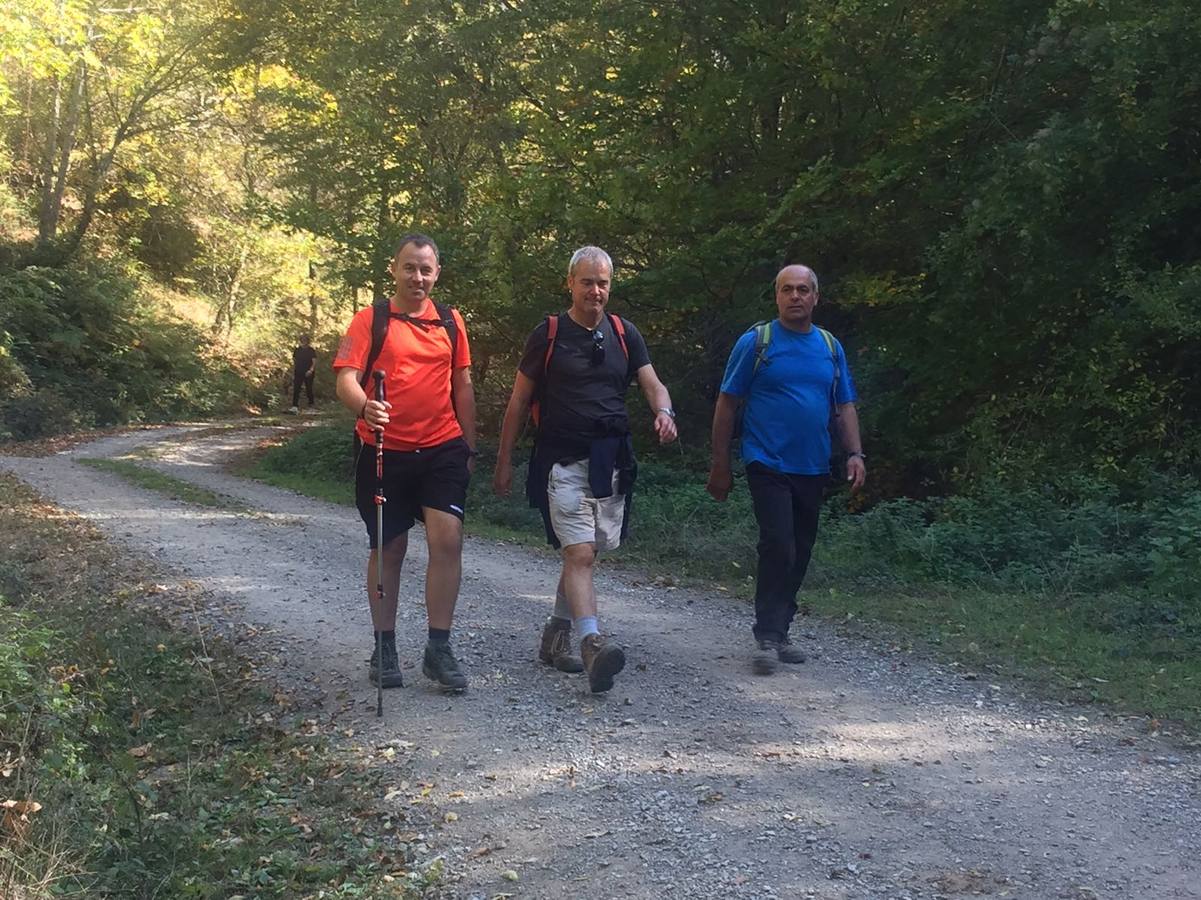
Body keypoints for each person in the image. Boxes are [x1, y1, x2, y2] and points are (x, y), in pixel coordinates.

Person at [493, 246, 678, 693]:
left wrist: (665, 411)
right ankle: (591, 643)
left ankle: (555, 636)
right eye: (587, 282)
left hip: (609, 462)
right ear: (570, 284)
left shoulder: (623, 332)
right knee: (579, 554)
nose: (595, 291)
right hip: (560, 461)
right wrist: (503, 461)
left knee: (588, 552)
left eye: (603, 283)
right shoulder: (549, 334)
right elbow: (519, 400)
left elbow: (651, 382)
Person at [333, 233, 477, 691]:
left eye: (426, 270)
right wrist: (364, 408)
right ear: (394, 269)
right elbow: (346, 379)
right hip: (383, 450)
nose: (418, 277)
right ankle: (385, 644)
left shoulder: (451, 323)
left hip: (441, 447)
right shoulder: (370, 320)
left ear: (437, 274)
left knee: (447, 538)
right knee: (389, 548)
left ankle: (439, 647)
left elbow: (463, 387)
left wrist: (469, 448)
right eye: (409, 268)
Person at [706, 264, 866, 675]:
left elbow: (843, 404)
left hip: (813, 465)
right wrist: (720, 464)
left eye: (803, 290)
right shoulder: (756, 342)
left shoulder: (829, 347)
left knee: (801, 550)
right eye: (787, 290)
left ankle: (781, 629)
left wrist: (855, 454)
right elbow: (727, 403)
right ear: (776, 296)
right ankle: (767, 636)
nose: (795, 296)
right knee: (779, 543)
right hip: (766, 460)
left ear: (816, 297)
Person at [290, 334, 317, 413]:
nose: (303, 342)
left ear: (308, 342)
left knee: (309, 388)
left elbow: (314, 361)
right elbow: (294, 361)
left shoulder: (311, 350)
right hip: (298, 371)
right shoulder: (297, 350)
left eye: (305, 341)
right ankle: (294, 406)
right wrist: (293, 370)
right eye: (302, 340)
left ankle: (311, 405)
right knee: (296, 388)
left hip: (308, 372)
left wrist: (311, 370)